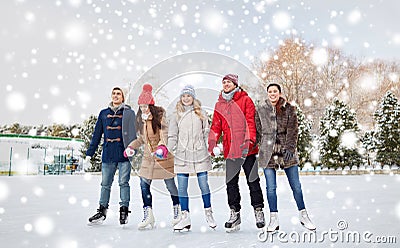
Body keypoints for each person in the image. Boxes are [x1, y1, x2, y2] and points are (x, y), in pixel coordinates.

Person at [208, 74, 265, 232]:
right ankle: (235, 213)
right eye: (224, 82)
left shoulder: (246, 100)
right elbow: (215, 126)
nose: (226, 84)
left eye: (229, 82)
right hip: (230, 151)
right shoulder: (219, 104)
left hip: (248, 149)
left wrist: (249, 141)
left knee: (252, 181)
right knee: (231, 184)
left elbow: (250, 122)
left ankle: (258, 210)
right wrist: (212, 142)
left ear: (235, 84)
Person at [255, 83, 316, 232]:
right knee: (271, 188)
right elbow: (258, 131)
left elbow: (293, 129)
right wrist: (262, 145)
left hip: (286, 150)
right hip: (268, 151)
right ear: (267, 94)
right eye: (270, 92)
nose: (272, 94)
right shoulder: (261, 110)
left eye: (275, 91)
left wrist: (289, 147)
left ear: (279, 93)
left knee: (296, 186)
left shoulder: (289, 108)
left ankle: (304, 215)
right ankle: (273, 219)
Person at [125, 84, 180, 230]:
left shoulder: (160, 117)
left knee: (170, 185)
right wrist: (131, 147)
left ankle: (177, 210)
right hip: (148, 159)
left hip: (163, 157)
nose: (143, 109)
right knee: (144, 185)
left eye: (146, 106)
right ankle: (148, 214)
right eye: (141, 106)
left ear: (151, 105)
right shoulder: (141, 120)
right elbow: (141, 139)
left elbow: (165, 134)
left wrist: (162, 146)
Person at [167, 85, 217, 231]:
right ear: (180, 98)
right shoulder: (176, 115)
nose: (186, 98)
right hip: (182, 155)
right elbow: (172, 136)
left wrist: (211, 147)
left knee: (204, 185)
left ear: (193, 97)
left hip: (200, 153)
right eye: (183, 96)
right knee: (182, 187)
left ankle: (209, 213)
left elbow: (207, 133)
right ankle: (185, 217)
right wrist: (166, 150)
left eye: (188, 96)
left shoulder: (201, 113)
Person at [85, 86, 137, 226]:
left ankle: (124, 210)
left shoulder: (129, 113)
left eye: (118, 94)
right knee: (105, 184)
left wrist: (133, 149)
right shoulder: (103, 114)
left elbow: (133, 134)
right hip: (108, 154)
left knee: (123, 183)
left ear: (123, 97)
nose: (115, 96)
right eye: (113, 93)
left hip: (124, 154)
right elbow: (97, 135)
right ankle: (102, 211)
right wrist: (90, 154)